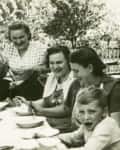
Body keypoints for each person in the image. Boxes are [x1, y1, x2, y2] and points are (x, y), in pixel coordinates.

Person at [20, 45, 80, 132]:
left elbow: (66, 110)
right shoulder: (52, 77)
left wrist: (41, 111)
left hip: (67, 126)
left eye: (59, 62)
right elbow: (46, 100)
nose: (55, 67)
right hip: (52, 122)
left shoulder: (75, 79)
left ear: (68, 62)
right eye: (52, 63)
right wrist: (29, 103)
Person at [64, 47, 120, 127]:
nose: (74, 76)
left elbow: (116, 126)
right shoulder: (76, 85)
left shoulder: (114, 88)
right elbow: (66, 110)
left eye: (76, 71)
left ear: (90, 68)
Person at [2, 21, 47, 100]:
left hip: (34, 85)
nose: (18, 41)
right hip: (14, 84)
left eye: (21, 37)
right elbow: (4, 69)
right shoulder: (8, 49)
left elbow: (47, 68)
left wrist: (32, 70)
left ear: (28, 35)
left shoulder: (40, 48)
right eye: (14, 38)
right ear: (10, 38)